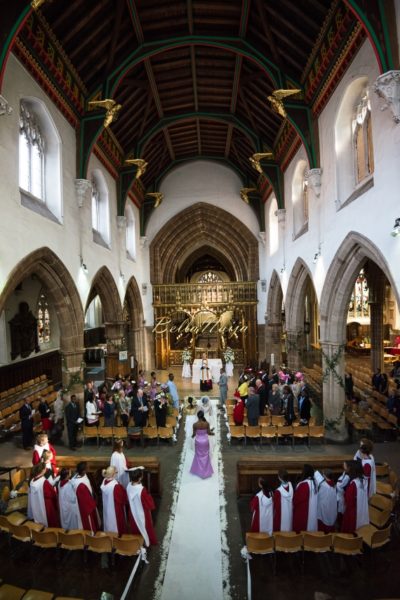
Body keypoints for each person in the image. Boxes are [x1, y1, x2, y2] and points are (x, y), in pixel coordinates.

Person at [127, 467, 157, 546]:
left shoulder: (128, 486)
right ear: (140, 478)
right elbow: (149, 504)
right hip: (143, 512)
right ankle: (147, 541)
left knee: (135, 526)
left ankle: (137, 542)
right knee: (146, 526)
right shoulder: (142, 490)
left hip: (133, 511)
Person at [70, 462, 100, 533]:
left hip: (87, 501)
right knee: (89, 524)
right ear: (83, 471)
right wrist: (94, 502)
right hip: (85, 508)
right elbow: (86, 501)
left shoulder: (78, 476)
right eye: (87, 467)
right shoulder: (81, 486)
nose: (89, 468)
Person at [341, 460, 369, 533]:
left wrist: (344, 493)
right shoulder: (364, 479)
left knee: (350, 530)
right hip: (362, 507)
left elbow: (348, 500)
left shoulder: (353, 484)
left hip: (352, 512)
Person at [29, 463, 60, 527]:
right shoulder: (43, 482)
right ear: (43, 470)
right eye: (45, 468)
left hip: (36, 504)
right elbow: (52, 494)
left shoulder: (32, 480)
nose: (46, 469)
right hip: (46, 506)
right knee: (50, 522)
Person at [101, 465, 128, 535]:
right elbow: (121, 499)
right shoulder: (115, 486)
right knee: (116, 524)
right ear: (113, 474)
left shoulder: (104, 481)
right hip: (115, 509)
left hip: (107, 507)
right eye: (116, 472)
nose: (117, 473)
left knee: (108, 522)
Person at [293, 464, 318, 533]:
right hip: (313, 511)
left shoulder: (303, 485)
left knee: (302, 531)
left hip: (304, 512)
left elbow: (296, 501)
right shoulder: (315, 482)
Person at [190, 410, 214, 479]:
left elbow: (194, 434)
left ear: (197, 416)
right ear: (203, 415)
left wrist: (192, 436)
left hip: (198, 441)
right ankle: (206, 471)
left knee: (198, 455)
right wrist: (212, 433)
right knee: (206, 455)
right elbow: (209, 433)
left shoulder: (194, 424)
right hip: (205, 441)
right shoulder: (207, 423)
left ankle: (198, 470)